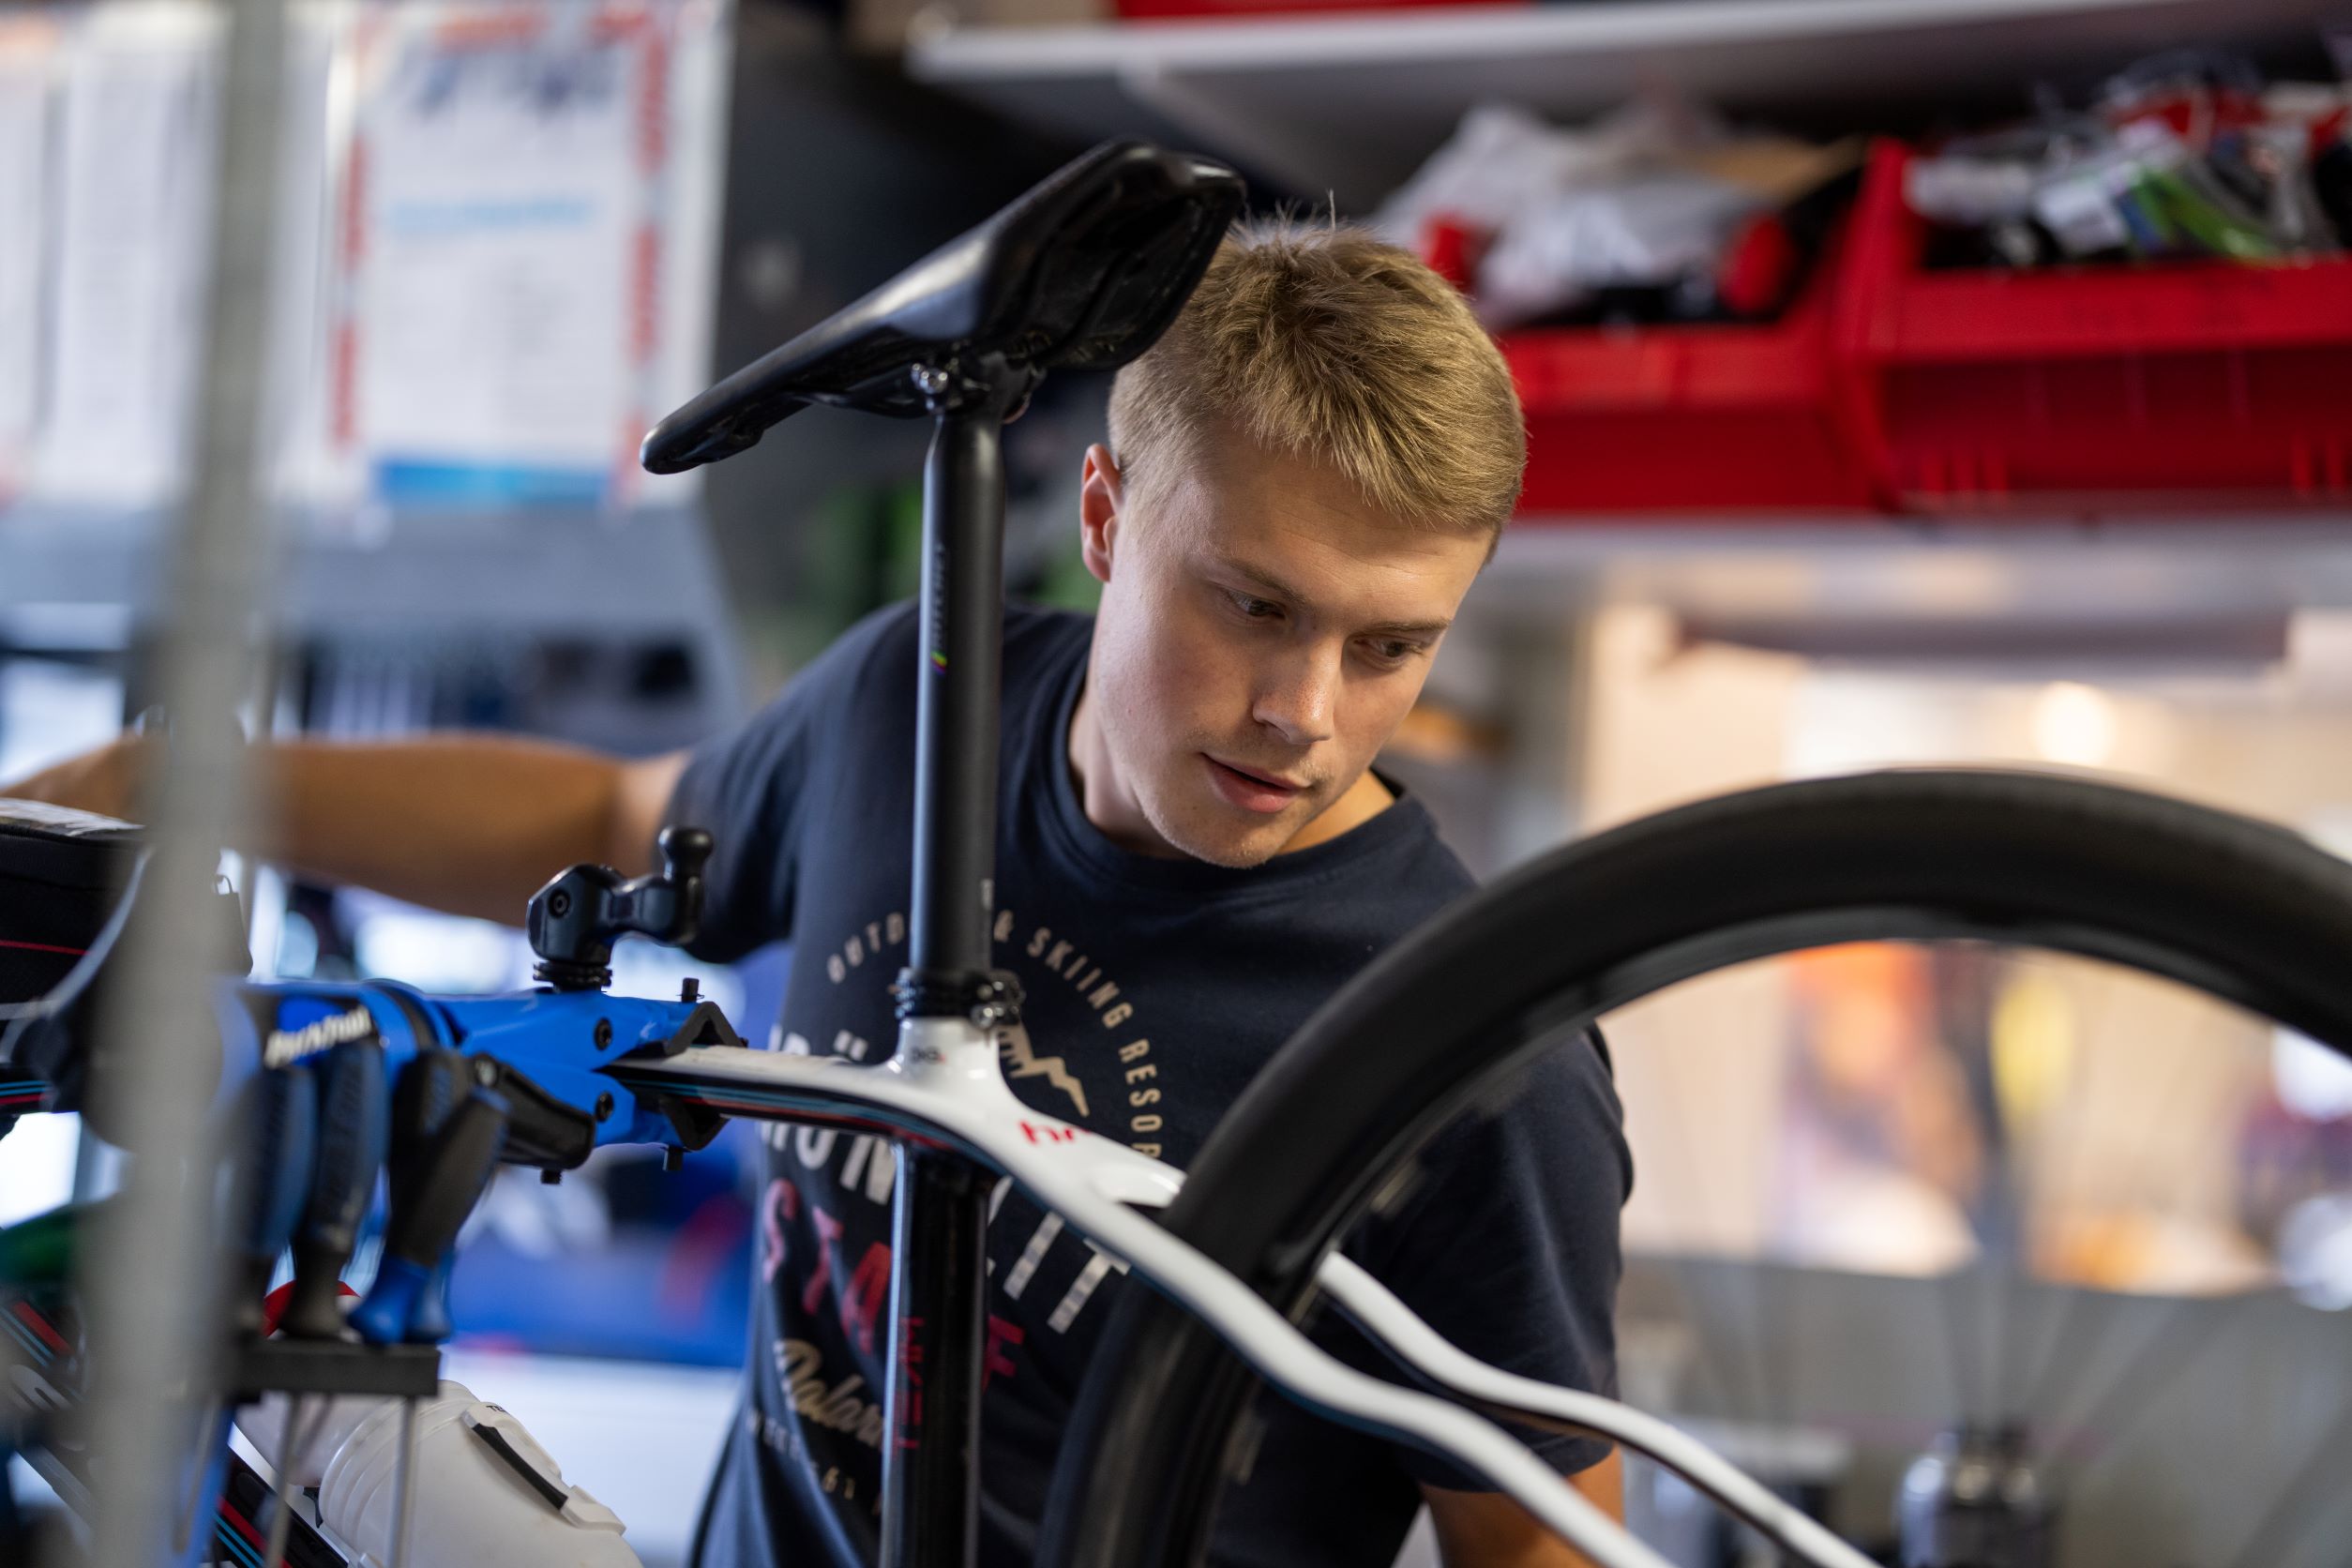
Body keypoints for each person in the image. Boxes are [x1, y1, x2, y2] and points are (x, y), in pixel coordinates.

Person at [7, 220, 1630, 1568]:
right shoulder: (917, 712)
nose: (1306, 709)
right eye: (1254, 603)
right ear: (1105, 517)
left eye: (1391, 645)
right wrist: (174, 784)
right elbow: (608, 815)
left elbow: (1540, 1557)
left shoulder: (1472, 1063)